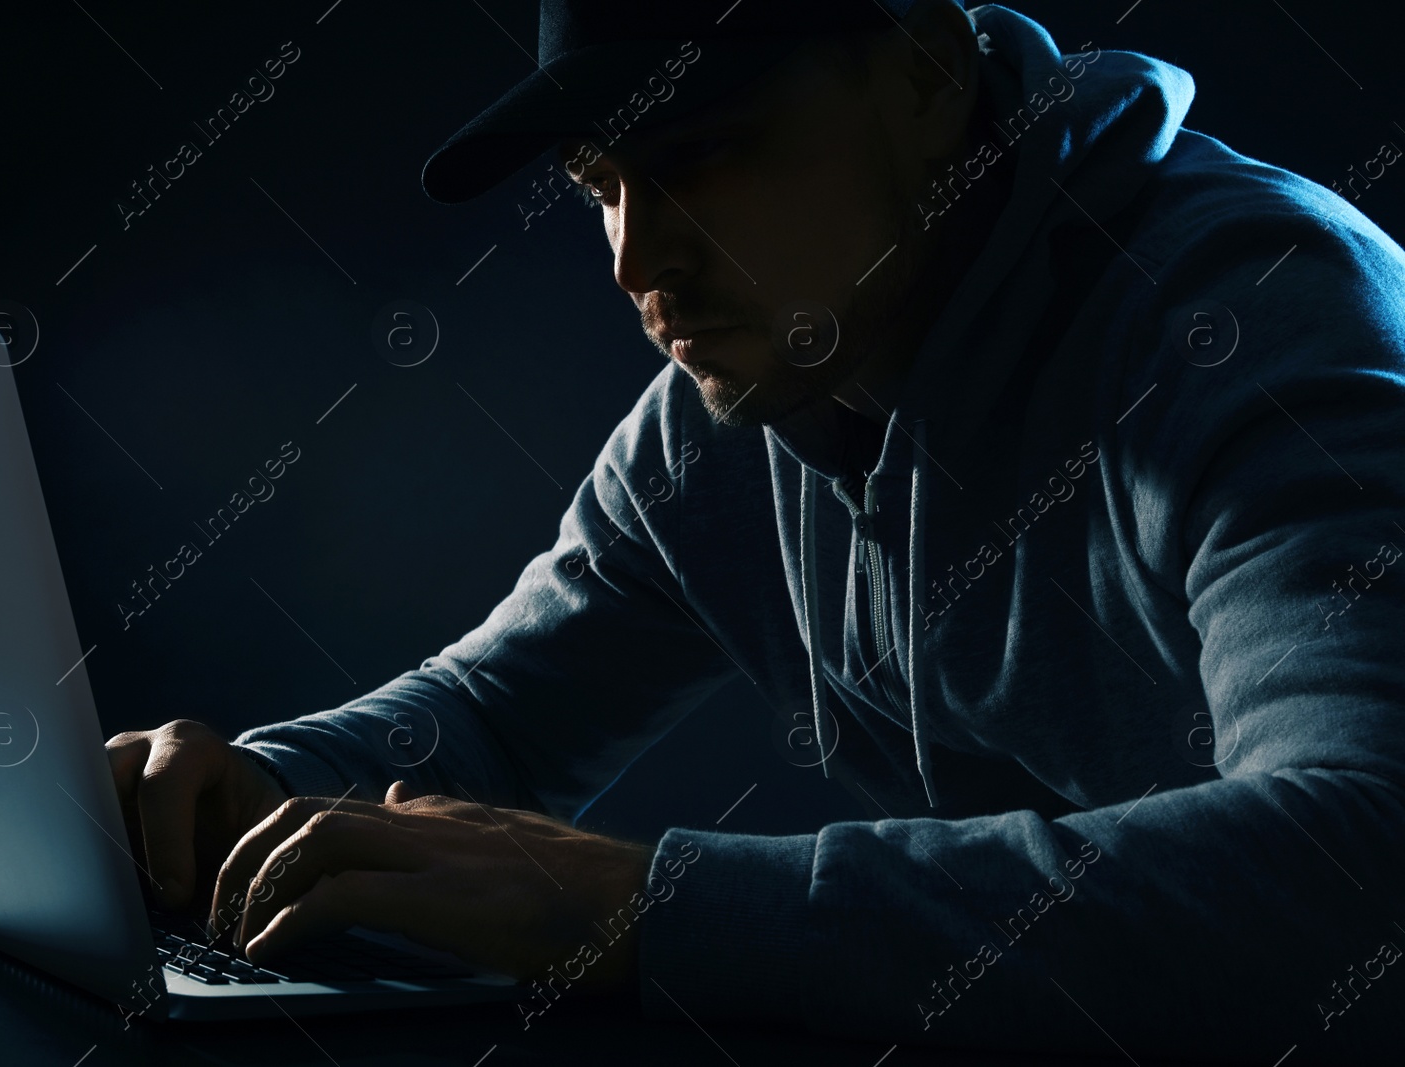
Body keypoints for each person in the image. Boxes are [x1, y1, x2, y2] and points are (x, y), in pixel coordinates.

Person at [105, 0, 1405, 1058]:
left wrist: (650, 906)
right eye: (601, 184)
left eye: (700, 153)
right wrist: (250, 790)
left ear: (923, 77)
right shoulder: (739, 410)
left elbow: (1363, 863)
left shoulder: (1265, 326)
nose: (635, 258)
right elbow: (498, 717)